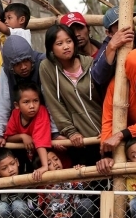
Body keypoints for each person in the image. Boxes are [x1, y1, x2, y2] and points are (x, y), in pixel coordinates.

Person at [39, 24, 102, 166]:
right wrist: (71, 132)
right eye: (59, 43)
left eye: (69, 41)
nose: (66, 46)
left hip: (104, 134)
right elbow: (54, 103)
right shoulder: (47, 68)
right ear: (51, 49)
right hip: (80, 141)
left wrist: (109, 128)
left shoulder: (91, 63)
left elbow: (106, 98)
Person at [37, 151, 99, 218]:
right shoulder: (44, 187)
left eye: (56, 159)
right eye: (49, 163)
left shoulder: (69, 178)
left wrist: (82, 171)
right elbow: (43, 217)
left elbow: (85, 183)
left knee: (86, 202)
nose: (55, 163)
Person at [100, 49, 136, 157]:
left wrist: (121, 135)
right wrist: (106, 153)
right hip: (128, 141)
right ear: (133, 73)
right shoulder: (117, 86)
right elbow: (108, 119)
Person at [3, 82, 51, 181]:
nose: (32, 106)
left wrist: (44, 166)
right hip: (23, 155)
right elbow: (8, 136)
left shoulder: (41, 111)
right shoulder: (15, 114)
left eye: (35, 101)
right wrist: (22, 136)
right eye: (26, 102)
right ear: (17, 105)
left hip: (41, 155)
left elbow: (40, 140)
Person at [92, 5, 136, 89]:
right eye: (120, 26)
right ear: (109, 33)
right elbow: (98, 78)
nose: (127, 28)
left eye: (130, 22)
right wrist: (112, 48)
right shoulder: (107, 47)